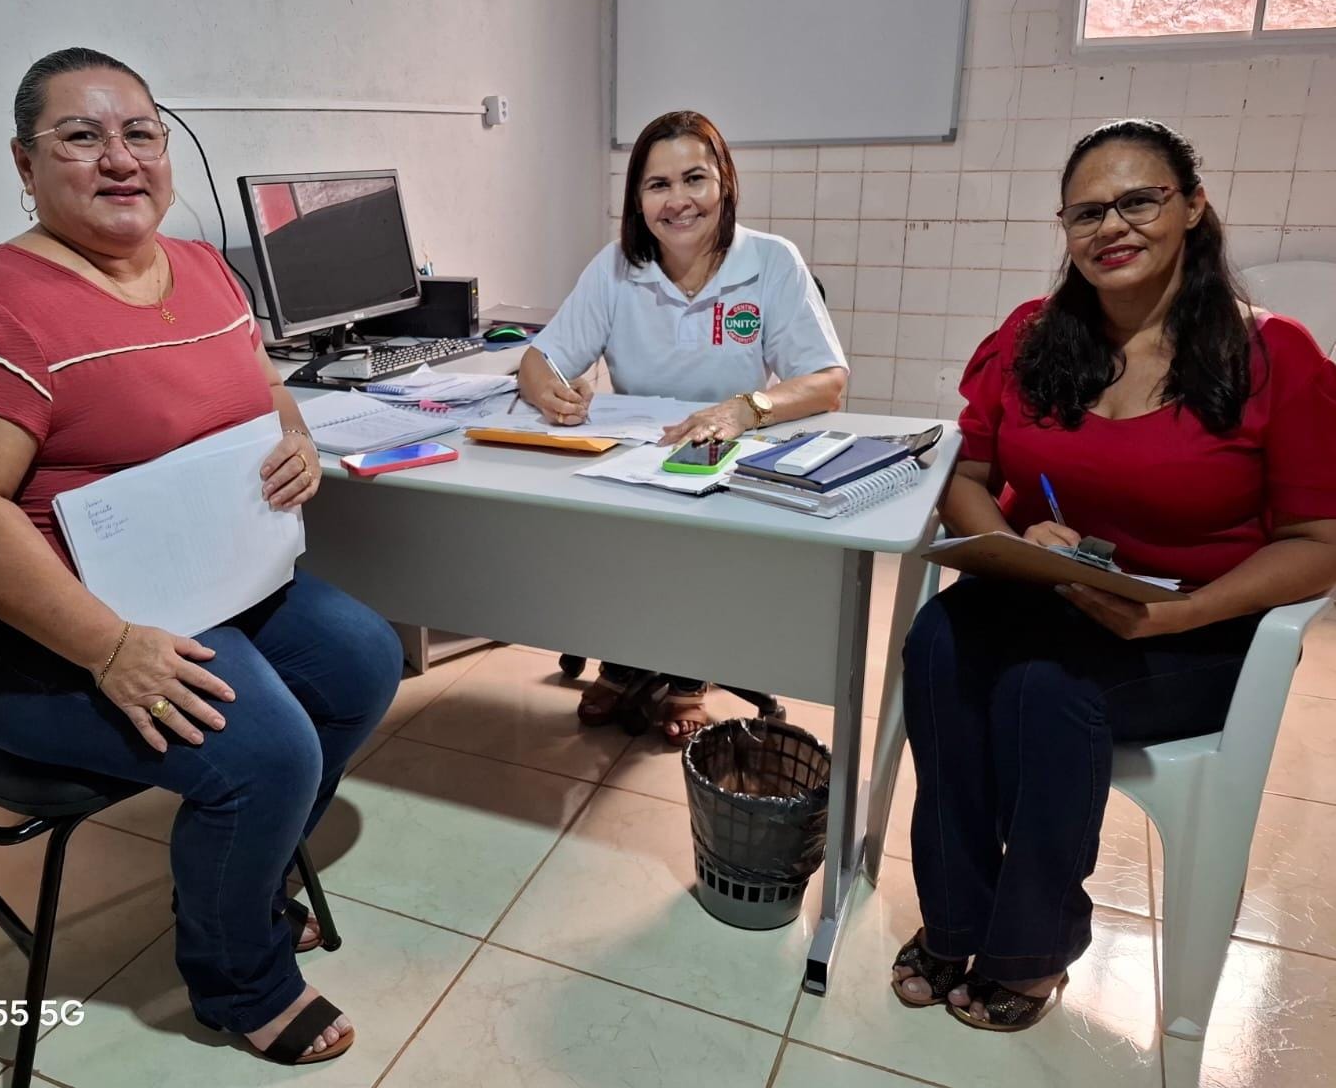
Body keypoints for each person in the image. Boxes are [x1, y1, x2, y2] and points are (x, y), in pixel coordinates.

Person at [0, 49, 403, 1065]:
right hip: (66, 638)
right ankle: (238, 976)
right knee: (268, 750)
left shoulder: (202, 268)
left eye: (141, 133)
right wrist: (110, 648)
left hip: (218, 587)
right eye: (82, 137)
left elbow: (266, 390)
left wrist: (296, 442)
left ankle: (235, 878)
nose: (120, 159)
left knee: (363, 659)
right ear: (25, 164)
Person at [889, 118, 1336, 1032]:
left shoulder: (1270, 356)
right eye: (1086, 212)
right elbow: (967, 480)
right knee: (936, 642)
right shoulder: (1032, 338)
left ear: (1192, 207)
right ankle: (954, 917)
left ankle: (1032, 946)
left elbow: (1318, 541)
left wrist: (1182, 614)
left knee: (1042, 691)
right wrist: (1014, 543)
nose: (1111, 228)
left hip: (1198, 626)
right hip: (1053, 591)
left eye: (1138, 201)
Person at [517, 110, 849, 746]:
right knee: (609, 533)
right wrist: (550, 393)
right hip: (638, 461)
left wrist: (744, 408)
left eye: (693, 179)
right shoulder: (615, 267)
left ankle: (691, 675)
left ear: (724, 182)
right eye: (658, 185)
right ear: (638, 200)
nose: (678, 201)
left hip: (730, 460)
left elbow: (827, 382)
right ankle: (623, 659)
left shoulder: (771, 261)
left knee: (698, 544)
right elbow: (540, 359)